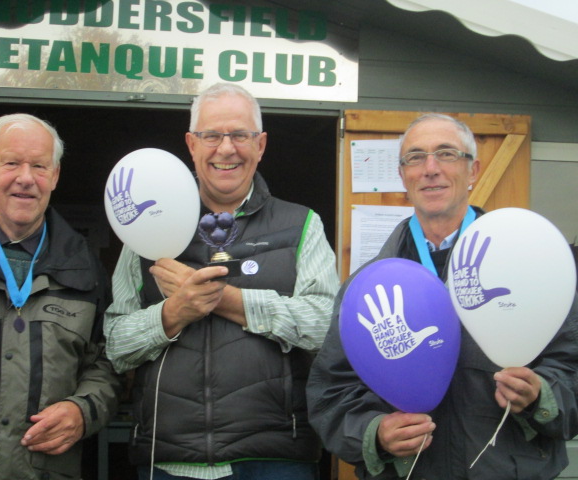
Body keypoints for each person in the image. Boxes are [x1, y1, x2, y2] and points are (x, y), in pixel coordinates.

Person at [306, 113, 578, 479]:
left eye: (447, 154)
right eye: (415, 157)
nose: (430, 169)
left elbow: (571, 366)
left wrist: (542, 397)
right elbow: (330, 393)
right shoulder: (367, 289)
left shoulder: (529, 267)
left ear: (473, 170)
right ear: (403, 175)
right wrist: (375, 433)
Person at [104, 82, 340, 480]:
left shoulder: (301, 224)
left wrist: (225, 300)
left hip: (275, 459)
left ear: (260, 145)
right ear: (191, 144)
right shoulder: (143, 228)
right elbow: (115, 345)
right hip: (171, 459)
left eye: (240, 135)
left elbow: (325, 327)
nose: (226, 149)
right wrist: (173, 313)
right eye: (211, 135)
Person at [0, 113, 122, 479]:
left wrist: (83, 411)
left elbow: (108, 362)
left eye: (39, 166)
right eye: (11, 163)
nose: (26, 178)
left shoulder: (85, 267)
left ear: (54, 176)